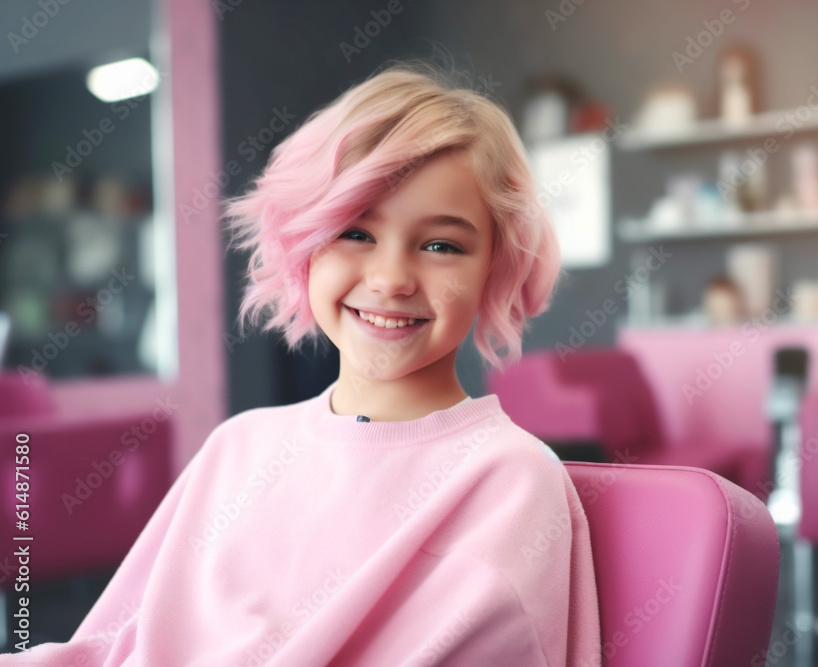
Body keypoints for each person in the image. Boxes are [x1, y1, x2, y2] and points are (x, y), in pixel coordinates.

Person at [2, 60, 602, 666]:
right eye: (355, 233)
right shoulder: (237, 449)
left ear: (494, 268)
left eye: (441, 245)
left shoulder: (508, 481)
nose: (391, 279)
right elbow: (107, 648)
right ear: (304, 245)